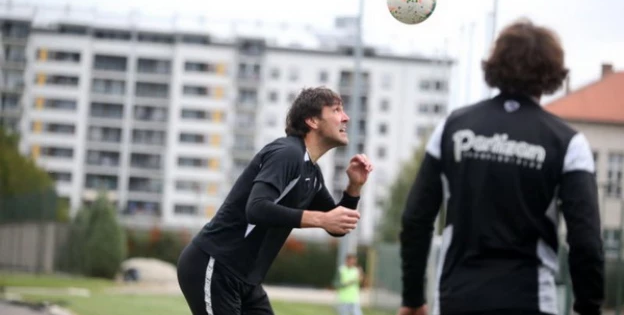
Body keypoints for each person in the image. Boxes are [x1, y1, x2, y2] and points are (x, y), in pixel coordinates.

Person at [397, 19, 604, 315]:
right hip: (530, 302)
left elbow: (415, 219)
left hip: (457, 300)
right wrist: (589, 308)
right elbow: (586, 242)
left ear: (495, 64)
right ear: (552, 72)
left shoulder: (452, 128)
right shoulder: (568, 143)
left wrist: (413, 298)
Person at [177, 86, 373, 315]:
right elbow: (256, 208)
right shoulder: (287, 153)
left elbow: (338, 225)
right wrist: (320, 219)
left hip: (246, 280)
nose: (346, 117)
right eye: (337, 110)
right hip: (215, 265)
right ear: (312, 120)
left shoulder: (312, 172)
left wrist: (354, 187)